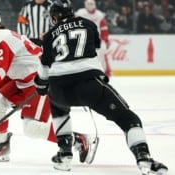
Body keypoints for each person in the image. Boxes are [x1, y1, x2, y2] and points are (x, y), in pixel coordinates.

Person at [34, 0, 168, 174]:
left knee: (57, 105)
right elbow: (95, 47)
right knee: (128, 118)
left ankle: (64, 153)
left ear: (54, 17)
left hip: (59, 88)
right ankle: (143, 158)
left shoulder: (50, 34)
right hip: (89, 85)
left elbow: (43, 71)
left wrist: (42, 87)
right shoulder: (88, 24)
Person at [0, 8, 97, 163]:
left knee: (31, 128)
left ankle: (78, 140)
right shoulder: (5, 36)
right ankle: (1, 146)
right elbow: (10, 70)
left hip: (40, 82)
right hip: (24, 81)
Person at [75, 0, 111, 77]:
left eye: (91, 4)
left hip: (98, 40)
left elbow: (104, 28)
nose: (90, 5)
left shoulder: (99, 15)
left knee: (101, 56)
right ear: (85, 4)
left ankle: (104, 72)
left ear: (94, 4)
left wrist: (105, 39)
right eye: (88, 4)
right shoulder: (80, 13)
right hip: (83, 40)